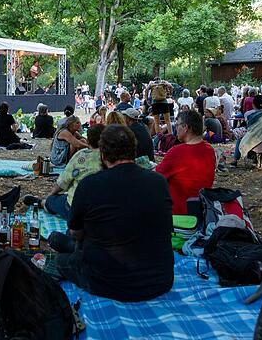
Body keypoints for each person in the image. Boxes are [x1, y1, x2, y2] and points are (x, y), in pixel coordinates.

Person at [56, 124, 174, 302]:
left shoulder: (90, 185)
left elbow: (76, 232)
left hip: (108, 282)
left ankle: (67, 248)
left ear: (102, 155)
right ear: (133, 151)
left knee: (61, 260)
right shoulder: (159, 182)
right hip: (160, 280)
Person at [36, 124, 105, 219]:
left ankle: (43, 203)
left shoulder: (82, 155)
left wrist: (50, 194)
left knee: (54, 201)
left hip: (77, 209)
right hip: (103, 209)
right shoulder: (112, 157)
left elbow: (63, 182)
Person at [156, 110, 215, 215]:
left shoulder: (177, 152)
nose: (175, 128)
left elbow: (155, 178)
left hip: (178, 213)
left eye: (177, 125)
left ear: (185, 127)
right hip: (202, 210)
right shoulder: (209, 150)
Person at [236, 95, 262, 168]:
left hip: (249, 143)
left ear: (253, 104)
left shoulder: (248, 114)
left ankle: (235, 160)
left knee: (240, 137)